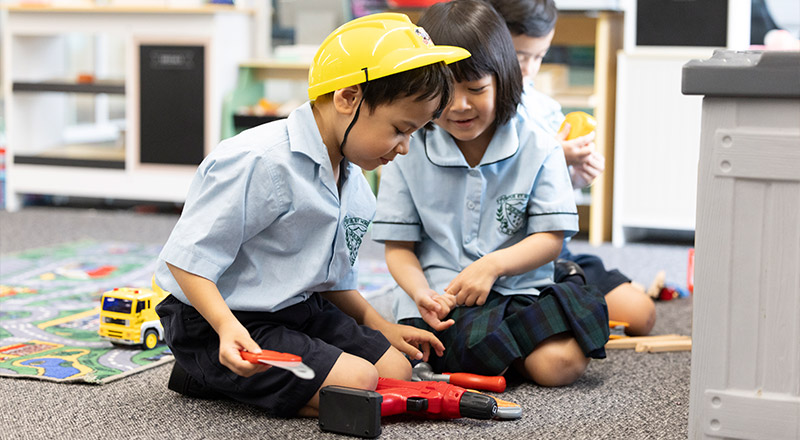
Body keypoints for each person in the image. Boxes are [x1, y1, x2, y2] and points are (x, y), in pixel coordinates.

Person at [153, 13, 470, 418]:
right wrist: (226, 327)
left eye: (414, 134)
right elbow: (185, 259)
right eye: (399, 129)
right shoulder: (259, 161)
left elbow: (330, 279)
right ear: (348, 98)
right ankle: (204, 371)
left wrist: (379, 324)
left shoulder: (355, 181)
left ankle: (244, 377)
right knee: (358, 386)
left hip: (296, 307)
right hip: (216, 317)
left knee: (398, 369)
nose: (404, 147)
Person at [372, 0, 609, 387]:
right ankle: (498, 351)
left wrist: (493, 265)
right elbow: (399, 248)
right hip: (441, 300)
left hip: (518, 288)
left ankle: (499, 349)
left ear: (504, 79)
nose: (460, 106)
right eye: (444, 92)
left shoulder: (539, 143)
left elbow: (551, 237)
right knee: (410, 358)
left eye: (476, 89)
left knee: (561, 365)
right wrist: (420, 293)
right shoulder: (407, 148)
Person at [488, 0, 656, 335]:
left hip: (553, 252)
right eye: (520, 56)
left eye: (538, 56)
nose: (528, 69)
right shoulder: (478, 106)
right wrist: (548, 157)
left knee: (642, 314)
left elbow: (551, 194)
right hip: (503, 253)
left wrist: (573, 176)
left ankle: (563, 310)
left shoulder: (544, 107)